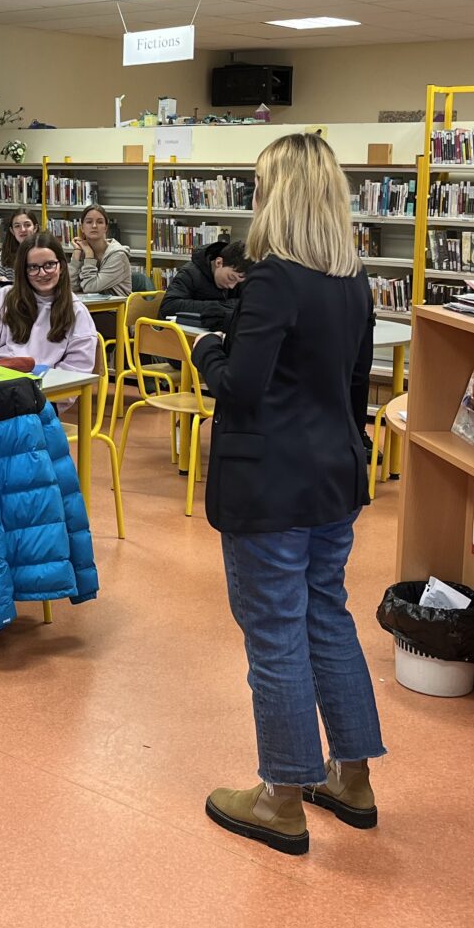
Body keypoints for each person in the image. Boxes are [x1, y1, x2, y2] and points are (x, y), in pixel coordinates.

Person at [190, 132, 383, 857]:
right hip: (334, 478)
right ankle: (352, 777)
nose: (254, 198)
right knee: (326, 619)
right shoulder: (352, 281)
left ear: (283, 195)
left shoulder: (273, 280)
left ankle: (281, 796)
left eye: (261, 185)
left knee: (274, 631)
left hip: (270, 483)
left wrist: (205, 347)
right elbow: (356, 388)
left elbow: (241, 387)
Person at [0, 231, 98, 372]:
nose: (42, 273)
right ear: (23, 271)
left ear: (61, 267)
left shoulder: (76, 311)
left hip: (44, 389)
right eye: (33, 267)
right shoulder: (0, 300)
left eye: (49, 265)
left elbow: (76, 370)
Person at [160, 238, 250, 328]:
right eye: (230, 278)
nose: (232, 286)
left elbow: (249, 303)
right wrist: (218, 307)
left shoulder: (238, 276)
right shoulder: (190, 273)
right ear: (219, 262)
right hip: (178, 336)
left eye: (238, 282)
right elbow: (168, 307)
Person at [69, 204, 133, 297]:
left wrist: (89, 256)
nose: (94, 226)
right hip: (87, 307)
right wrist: (76, 254)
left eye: (99, 222)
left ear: (106, 228)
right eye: (89, 222)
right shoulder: (82, 250)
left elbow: (90, 287)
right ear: (82, 228)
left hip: (114, 309)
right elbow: (70, 287)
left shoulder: (118, 255)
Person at [0, 208, 38, 289]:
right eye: (17, 226)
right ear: (12, 231)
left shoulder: (45, 251)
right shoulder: (8, 253)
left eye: (27, 225)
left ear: (35, 228)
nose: (22, 229)